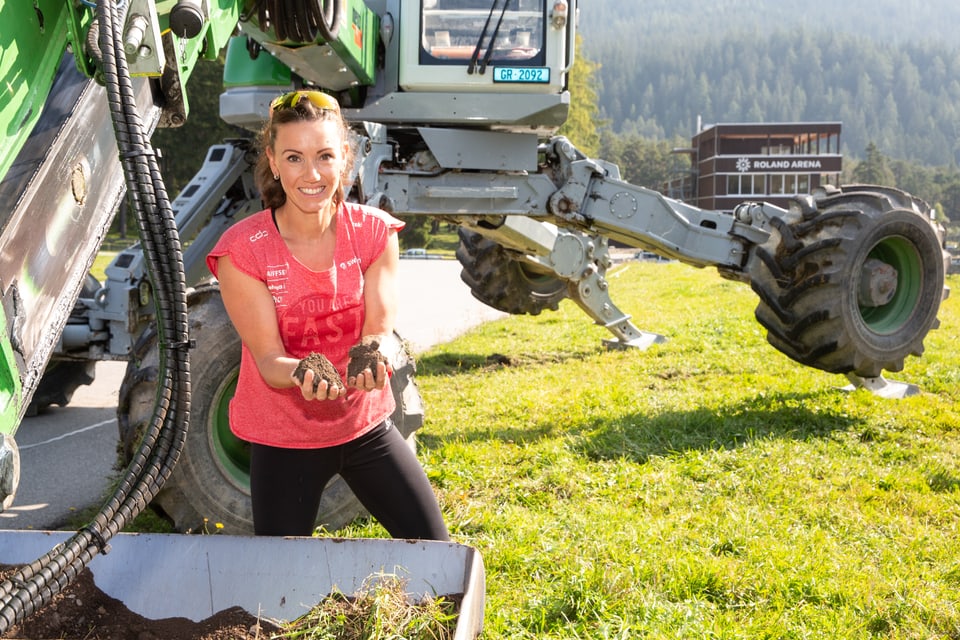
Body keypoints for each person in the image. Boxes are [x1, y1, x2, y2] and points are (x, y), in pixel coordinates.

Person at [206, 89, 449, 540]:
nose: (311, 174)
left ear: (345, 161)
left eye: (324, 156)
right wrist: (302, 371)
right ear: (273, 162)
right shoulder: (243, 251)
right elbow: (268, 360)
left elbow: (377, 327)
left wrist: (374, 354)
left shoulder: (374, 232)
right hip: (283, 439)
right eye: (294, 158)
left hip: (364, 427)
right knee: (279, 589)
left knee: (433, 548)